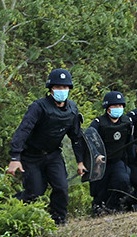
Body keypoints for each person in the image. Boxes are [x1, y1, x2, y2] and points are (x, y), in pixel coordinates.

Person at [6, 68, 86, 225]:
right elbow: (23, 131)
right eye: (57, 87)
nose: (61, 90)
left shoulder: (72, 109)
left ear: (69, 89)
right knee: (34, 193)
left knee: (62, 188)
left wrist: (80, 161)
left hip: (53, 154)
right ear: (51, 89)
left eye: (64, 87)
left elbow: (76, 137)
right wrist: (15, 157)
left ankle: (59, 221)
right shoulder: (38, 107)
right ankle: (11, 210)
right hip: (31, 156)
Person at [88, 91, 133, 216]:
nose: (118, 109)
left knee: (123, 181)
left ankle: (114, 206)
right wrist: (96, 155)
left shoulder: (127, 122)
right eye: (114, 106)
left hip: (117, 161)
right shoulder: (98, 123)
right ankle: (98, 209)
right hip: (101, 163)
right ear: (107, 108)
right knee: (100, 189)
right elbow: (89, 139)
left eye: (120, 106)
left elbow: (131, 141)